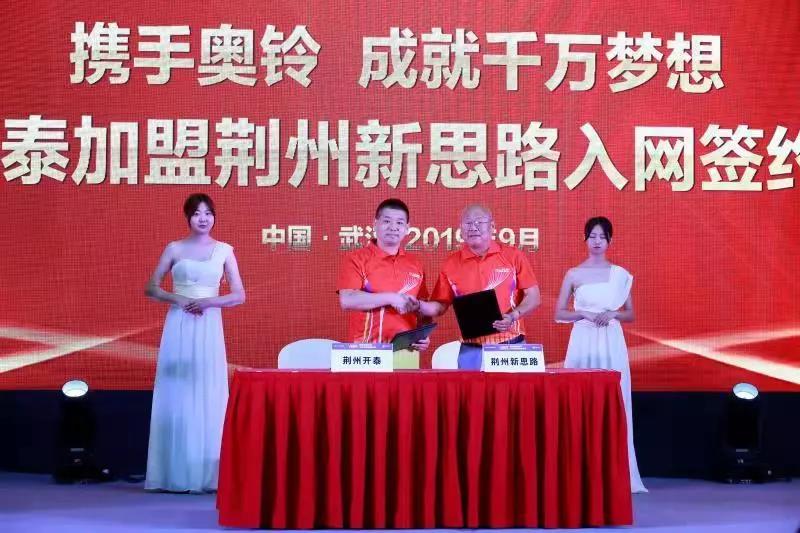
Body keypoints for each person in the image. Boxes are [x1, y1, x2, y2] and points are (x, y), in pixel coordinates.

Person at [143, 194, 245, 493]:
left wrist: (208, 302)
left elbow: (239, 295)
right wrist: (179, 299)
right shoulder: (174, 248)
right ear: (187, 217)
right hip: (179, 323)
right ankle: (174, 473)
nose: (203, 218)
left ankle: (207, 475)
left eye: (208, 213)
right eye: (197, 213)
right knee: (178, 392)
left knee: (208, 389)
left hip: (209, 324)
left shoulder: (224, 250)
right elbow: (151, 287)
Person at [554, 216, 647, 493]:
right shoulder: (573, 274)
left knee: (614, 401)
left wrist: (613, 314)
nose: (596, 241)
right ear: (585, 239)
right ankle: (578, 472)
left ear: (610, 240)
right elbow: (559, 313)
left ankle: (614, 472)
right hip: (582, 340)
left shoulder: (620, 275)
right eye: (592, 236)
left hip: (610, 341)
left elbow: (630, 314)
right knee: (579, 402)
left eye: (602, 237)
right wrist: (582, 313)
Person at [419, 205, 540, 369]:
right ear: (461, 229)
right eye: (468, 223)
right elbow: (440, 305)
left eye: (479, 222)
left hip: (510, 344)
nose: (473, 227)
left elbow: (534, 296)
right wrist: (418, 306)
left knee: (513, 387)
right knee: (470, 387)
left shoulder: (513, 256)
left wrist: (513, 316)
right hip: (471, 349)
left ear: (492, 226)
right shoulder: (451, 263)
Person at [337, 199, 430, 367]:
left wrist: (422, 335)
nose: (393, 227)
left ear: (407, 228)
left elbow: (421, 308)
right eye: (387, 221)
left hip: (405, 352)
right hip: (365, 351)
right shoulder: (357, 259)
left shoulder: (415, 264)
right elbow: (347, 299)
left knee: (404, 386)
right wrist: (392, 298)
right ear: (375, 224)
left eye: (399, 223)